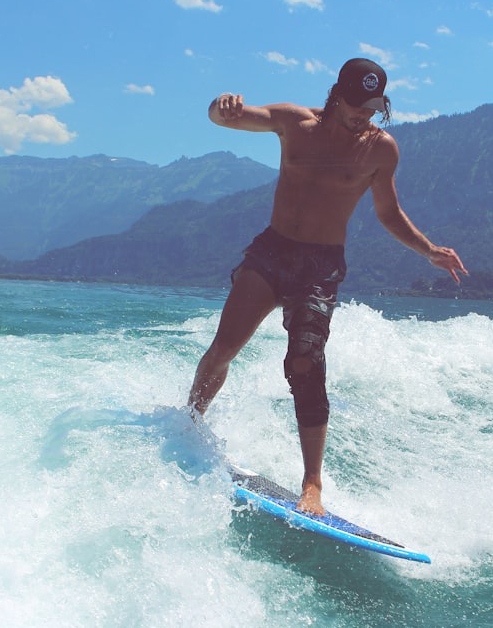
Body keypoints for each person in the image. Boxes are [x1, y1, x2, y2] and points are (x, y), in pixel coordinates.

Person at [187, 58, 467, 516]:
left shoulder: (381, 150)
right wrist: (221, 106)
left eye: (374, 107)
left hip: (319, 267)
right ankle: (190, 424)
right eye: (357, 104)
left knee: (306, 362)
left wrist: (428, 250)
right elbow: (226, 118)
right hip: (271, 253)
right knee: (224, 348)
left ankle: (312, 483)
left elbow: (388, 212)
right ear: (337, 94)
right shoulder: (294, 123)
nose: (365, 115)